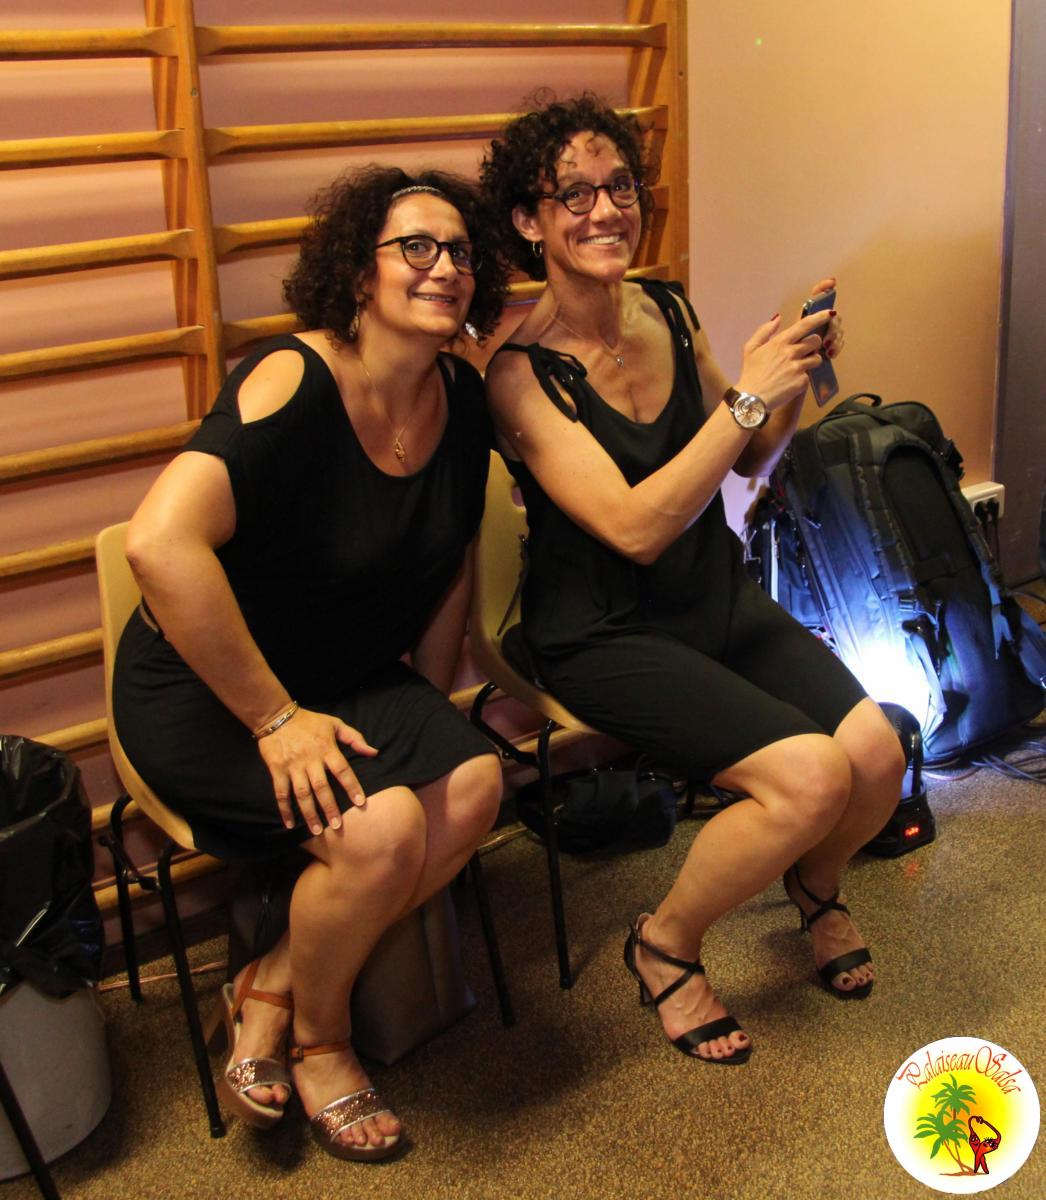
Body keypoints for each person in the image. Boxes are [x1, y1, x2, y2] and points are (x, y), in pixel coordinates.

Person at [480, 94, 906, 1064]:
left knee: (876, 756)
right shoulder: (518, 375)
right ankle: (663, 945)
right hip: (602, 631)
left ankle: (813, 888)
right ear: (529, 220)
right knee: (808, 778)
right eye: (573, 194)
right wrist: (747, 396)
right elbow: (635, 528)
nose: (604, 211)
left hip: (707, 595)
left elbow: (747, 453)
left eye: (620, 187)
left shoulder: (666, 308)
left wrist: (784, 381)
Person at [112, 165, 509, 1158]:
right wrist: (275, 720)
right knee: (380, 832)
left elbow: (448, 558)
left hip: (345, 672)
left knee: (470, 783)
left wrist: (427, 707)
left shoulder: (461, 399)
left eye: (460, 251)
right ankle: (321, 1042)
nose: (443, 266)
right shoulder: (292, 377)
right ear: (358, 272)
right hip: (210, 687)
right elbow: (157, 545)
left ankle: (271, 984)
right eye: (414, 246)